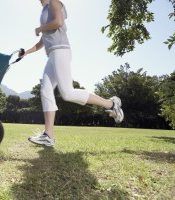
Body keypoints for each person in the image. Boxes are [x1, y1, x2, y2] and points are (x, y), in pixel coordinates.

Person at [21, 0, 124, 147]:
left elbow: (58, 22)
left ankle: (111, 104)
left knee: (67, 93)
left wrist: (39, 28)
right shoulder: (44, 11)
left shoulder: (54, 2)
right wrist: (26, 52)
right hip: (52, 55)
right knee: (45, 90)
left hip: (60, 51)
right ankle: (48, 136)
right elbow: (42, 41)